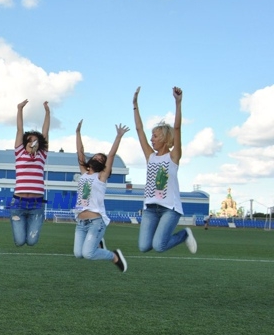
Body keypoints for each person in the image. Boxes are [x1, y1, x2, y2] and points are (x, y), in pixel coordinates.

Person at [133, 86, 197, 254]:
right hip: (150, 208)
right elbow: (139, 130)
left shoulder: (173, 157)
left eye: (155, 136)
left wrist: (178, 103)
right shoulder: (150, 156)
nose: (151, 139)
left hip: (170, 208)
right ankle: (173, 235)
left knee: (158, 246)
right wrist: (135, 105)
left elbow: (177, 128)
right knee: (144, 246)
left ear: (164, 138)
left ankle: (184, 234)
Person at [73, 120, 129, 272]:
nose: (98, 159)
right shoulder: (84, 173)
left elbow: (111, 155)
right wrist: (78, 133)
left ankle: (114, 256)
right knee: (78, 254)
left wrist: (118, 136)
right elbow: (80, 152)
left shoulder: (101, 177)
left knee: (88, 254)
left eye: (101, 159)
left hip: (96, 222)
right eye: (96, 157)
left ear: (103, 165)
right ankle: (98, 243)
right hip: (81, 222)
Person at [10, 99, 50, 246]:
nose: (33, 143)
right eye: (30, 140)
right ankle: (19, 224)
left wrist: (47, 112)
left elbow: (45, 132)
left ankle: (29, 224)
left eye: (36, 141)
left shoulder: (42, 155)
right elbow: (19, 130)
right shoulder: (19, 153)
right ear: (25, 142)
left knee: (32, 241)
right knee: (20, 241)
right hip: (18, 203)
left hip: (37, 204)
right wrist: (20, 109)